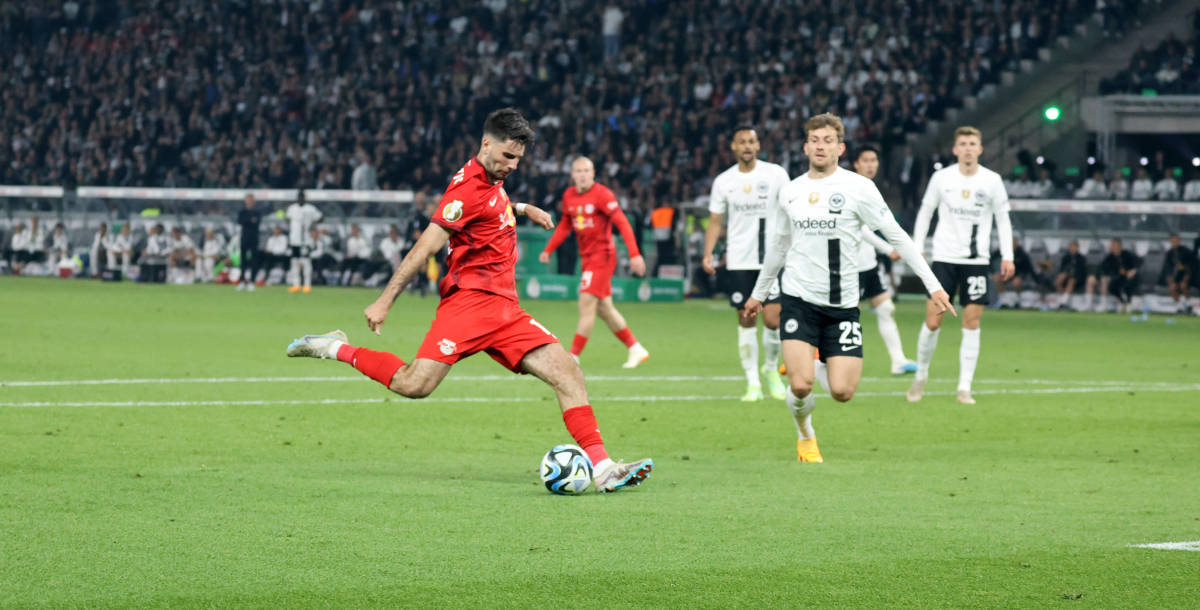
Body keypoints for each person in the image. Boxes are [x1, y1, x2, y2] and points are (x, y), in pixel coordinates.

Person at [285, 108, 653, 492]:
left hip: (505, 310)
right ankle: (333, 347)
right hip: (468, 306)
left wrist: (524, 209)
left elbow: (492, 208)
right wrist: (384, 301)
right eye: (507, 156)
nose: (512, 165)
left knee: (568, 373)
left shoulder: (493, 181)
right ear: (486, 143)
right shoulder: (463, 191)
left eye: (518, 159)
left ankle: (604, 467)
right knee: (414, 385)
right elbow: (424, 248)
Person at [743, 113, 953, 463]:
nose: (820, 146)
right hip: (798, 299)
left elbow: (896, 235)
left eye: (828, 140)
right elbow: (778, 246)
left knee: (842, 392)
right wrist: (759, 293)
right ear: (806, 146)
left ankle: (812, 356)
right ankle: (805, 433)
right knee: (800, 386)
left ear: (840, 148)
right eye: (814, 140)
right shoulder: (791, 191)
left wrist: (933, 285)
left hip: (842, 305)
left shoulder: (859, 188)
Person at [909, 126, 1013, 405]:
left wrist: (1008, 255)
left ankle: (964, 387)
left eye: (972, 144)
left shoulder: (992, 181)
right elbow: (926, 212)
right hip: (943, 258)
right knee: (933, 320)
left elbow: (1003, 219)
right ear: (955, 150)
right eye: (963, 144)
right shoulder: (942, 178)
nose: (968, 148)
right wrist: (917, 247)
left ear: (980, 149)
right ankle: (920, 376)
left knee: (972, 321)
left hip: (976, 262)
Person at [700, 127, 791, 400]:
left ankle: (771, 369)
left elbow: (790, 209)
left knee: (774, 319)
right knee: (745, 318)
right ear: (734, 147)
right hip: (739, 260)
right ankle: (752, 382)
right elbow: (716, 221)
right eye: (742, 142)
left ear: (758, 145)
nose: (747, 146)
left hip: (771, 259)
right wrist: (708, 253)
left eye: (751, 141)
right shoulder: (724, 181)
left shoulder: (775, 174)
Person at [539, 157, 650, 368]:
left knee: (586, 303)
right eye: (578, 171)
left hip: (603, 256)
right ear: (572, 174)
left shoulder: (602, 194)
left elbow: (623, 223)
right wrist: (548, 249)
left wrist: (635, 254)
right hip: (587, 258)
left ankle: (573, 356)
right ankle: (636, 348)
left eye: (586, 171)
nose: (582, 174)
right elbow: (564, 225)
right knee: (604, 308)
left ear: (593, 173)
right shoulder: (569, 196)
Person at [847, 145, 918, 376]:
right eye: (865, 160)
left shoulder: (870, 188)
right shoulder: (849, 188)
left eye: (874, 160)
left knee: (886, 307)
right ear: (856, 164)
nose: (870, 165)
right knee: (844, 317)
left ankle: (897, 360)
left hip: (867, 264)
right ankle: (818, 358)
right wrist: (888, 249)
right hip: (848, 265)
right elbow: (862, 229)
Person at [1085, 238, 1140, 313]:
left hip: (1127, 278)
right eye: (1112, 245)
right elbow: (1101, 269)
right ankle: (1090, 306)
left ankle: (1121, 304)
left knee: (1125, 284)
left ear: (1120, 246)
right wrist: (1096, 277)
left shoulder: (1127, 254)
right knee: (1092, 279)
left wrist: (1134, 270)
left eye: (1116, 245)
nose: (1114, 247)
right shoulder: (1109, 257)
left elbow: (1138, 263)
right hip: (1114, 279)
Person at [286, 190, 322, 293]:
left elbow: (320, 217)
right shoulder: (292, 208)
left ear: (305, 198)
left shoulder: (310, 209)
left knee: (306, 262)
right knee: (294, 262)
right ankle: (296, 284)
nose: (300, 199)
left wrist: (312, 225)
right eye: (299, 197)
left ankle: (307, 285)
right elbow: (287, 218)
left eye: (302, 197)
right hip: (294, 240)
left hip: (306, 240)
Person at [992, 236, 1034, 309]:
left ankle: (1017, 301)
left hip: (1018, 276)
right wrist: (994, 272)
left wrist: (1020, 277)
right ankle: (1003, 301)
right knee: (998, 280)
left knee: (1016, 282)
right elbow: (990, 260)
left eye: (1014, 243)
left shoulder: (1022, 254)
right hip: (1005, 274)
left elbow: (1028, 269)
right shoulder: (1001, 252)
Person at [1160, 233, 1196, 312]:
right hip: (1176, 275)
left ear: (1179, 241)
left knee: (1183, 286)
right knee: (1172, 288)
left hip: (1188, 275)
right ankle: (1179, 306)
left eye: (1176, 240)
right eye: (1172, 241)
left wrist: (1185, 280)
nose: (1174, 242)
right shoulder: (1169, 253)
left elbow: (1191, 267)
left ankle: (1188, 304)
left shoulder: (1186, 251)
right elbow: (1168, 268)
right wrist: (1171, 281)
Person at [236, 193, 263, 291]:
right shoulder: (242, 212)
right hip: (244, 237)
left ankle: (252, 281)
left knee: (254, 260)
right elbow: (240, 221)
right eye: (248, 200)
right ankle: (242, 281)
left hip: (254, 238)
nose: (249, 202)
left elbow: (257, 222)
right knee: (243, 260)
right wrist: (250, 220)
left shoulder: (257, 212)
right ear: (245, 201)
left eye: (251, 200)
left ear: (253, 201)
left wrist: (248, 221)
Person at [1054, 240, 1088, 309]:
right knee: (1060, 278)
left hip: (1078, 279)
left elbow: (1082, 271)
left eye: (1075, 247)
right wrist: (1067, 272)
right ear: (1069, 247)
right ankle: (1062, 299)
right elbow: (1062, 269)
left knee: (1071, 280)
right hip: (1066, 277)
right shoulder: (1065, 258)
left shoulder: (1081, 258)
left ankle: (1063, 302)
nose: (1073, 248)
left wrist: (1073, 273)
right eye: (1071, 247)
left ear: (1078, 248)